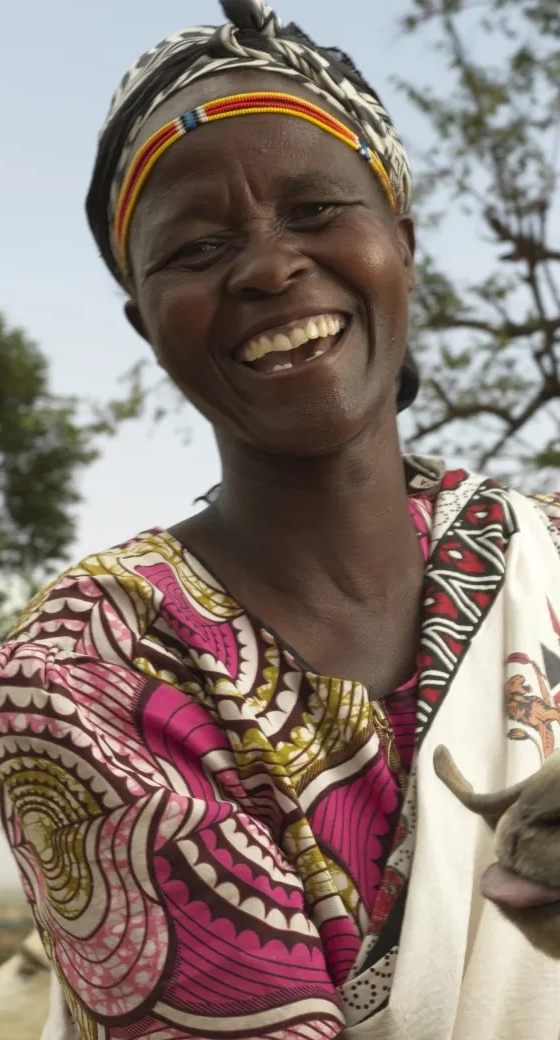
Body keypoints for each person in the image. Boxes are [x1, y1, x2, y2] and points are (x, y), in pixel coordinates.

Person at [1, 2, 559, 1038]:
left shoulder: (546, 554)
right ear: (143, 318)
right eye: (198, 246)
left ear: (399, 235)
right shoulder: (91, 668)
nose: (265, 266)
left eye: (312, 211)